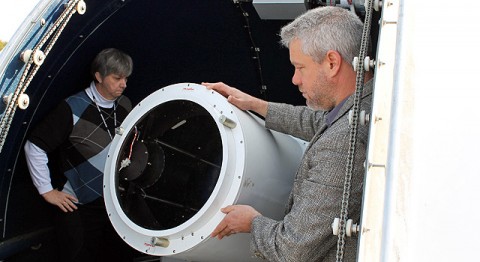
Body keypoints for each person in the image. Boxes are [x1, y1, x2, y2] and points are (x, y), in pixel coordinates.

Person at [203, 6, 374, 262]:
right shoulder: (366, 102)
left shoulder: (342, 144)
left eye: (300, 67)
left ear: (331, 63)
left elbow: (292, 250)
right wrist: (256, 105)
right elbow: (321, 122)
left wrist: (253, 222)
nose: (294, 80)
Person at [24, 48, 135, 262]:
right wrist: (46, 190)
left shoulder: (125, 104)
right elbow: (34, 147)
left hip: (115, 203)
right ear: (99, 76)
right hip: (80, 205)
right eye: (118, 78)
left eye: (126, 78)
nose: (124, 84)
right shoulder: (71, 108)